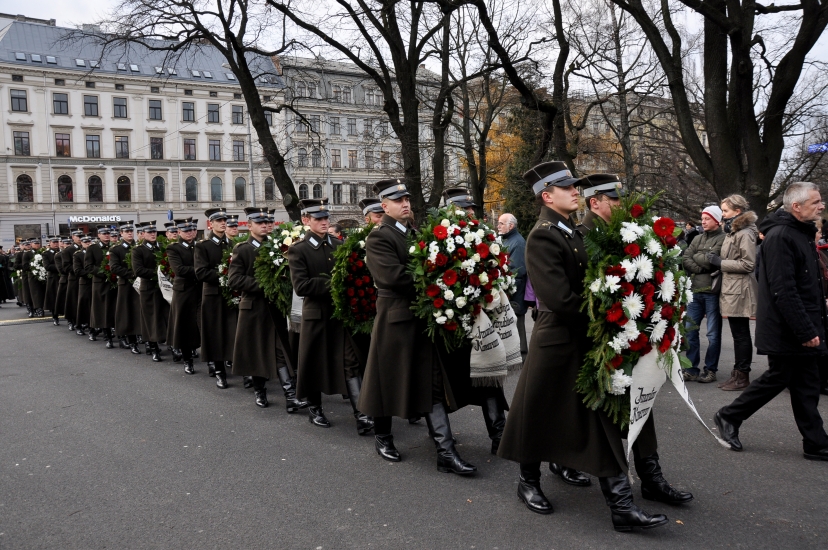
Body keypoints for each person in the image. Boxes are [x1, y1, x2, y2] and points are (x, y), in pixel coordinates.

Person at [497, 161, 667, 531]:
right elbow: (558, 298)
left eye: (575, 187)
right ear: (547, 195)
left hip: (581, 338)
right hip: (556, 340)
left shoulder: (569, 230)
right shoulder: (544, 235)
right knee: (536, 414)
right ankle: (528, 482)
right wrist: (612, 317)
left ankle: (621, 506)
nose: (576, 191)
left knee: (594, 417)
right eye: (567, 188)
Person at [575, 173, 692, 503]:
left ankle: (651, 476)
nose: (619, 204)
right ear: (594, 202)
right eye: (612, 199)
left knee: (641, 403)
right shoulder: (580, 236)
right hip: (598, 339)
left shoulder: (636, 235)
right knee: (597, 411)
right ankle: (576, 467)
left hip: (635, 334)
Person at [358, 179, 476, 474]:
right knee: (388, 382)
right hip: (395, 320)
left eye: (407, 199)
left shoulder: (412, 233)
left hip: (422, 318)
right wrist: (436, 277)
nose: (405, 203)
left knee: (431, 382)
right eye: (398, 200)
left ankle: (445, 452)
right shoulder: (379, 237)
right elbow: (392, 277)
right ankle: (383, 436)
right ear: (384, 206)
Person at [716, 182, 828, 462]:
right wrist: (805, 329)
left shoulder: (799, 233)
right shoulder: (781, 237)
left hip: (801, 324)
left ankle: (815, 442)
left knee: (806, 383)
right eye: (816, 202)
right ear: (796, 207)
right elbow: (783, 289)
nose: (821, 205)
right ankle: (728, 415)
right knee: (780, 377)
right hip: (788, 327)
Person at [290, 198, 373, 433]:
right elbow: (302, 286)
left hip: (340, 316)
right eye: (318, 218)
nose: (324, 222)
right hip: (316, 315)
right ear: (306, 221)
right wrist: (336, 284)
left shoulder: (339, 245)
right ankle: (315, 409)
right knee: (313, 363)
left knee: (350, 363)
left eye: (326, 218)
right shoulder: (299, 249)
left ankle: (362, 415)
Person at [442, 188, 509, 455]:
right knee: (449, 380)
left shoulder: (485, 237)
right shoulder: (442, 237)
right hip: (454, 323)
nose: (470, 213)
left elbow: (499, 270)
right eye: (463, 209)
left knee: (489, 376)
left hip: (482, 320)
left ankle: (499, 433)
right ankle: (440, 437)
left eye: (471, 208)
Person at [230, 207, 305, 410]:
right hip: (254, 309)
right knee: (257, 352)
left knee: (280, 350)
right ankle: (260, 391)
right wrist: (265, 284)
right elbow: (234, 279)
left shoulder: (277, 246)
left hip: (274, 308)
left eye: (268, 222)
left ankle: (291, 396)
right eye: (260, 223)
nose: (265, 226)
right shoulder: (243, 248)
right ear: (250, 225)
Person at [706, 195, 758, 391]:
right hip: (732, 287)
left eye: (725, 211)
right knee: (738, 334)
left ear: (738, 212)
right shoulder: (733, 231)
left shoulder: (744, 233)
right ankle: (737, 373)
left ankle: (742, 376)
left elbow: (748, 263)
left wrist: (721, 263)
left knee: (741, 334)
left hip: (740, 289)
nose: (722, 214)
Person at [682, 205, 726, 382]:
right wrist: (702, 263)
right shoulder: (698, 238)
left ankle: (710, 369)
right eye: (702, 218)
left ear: (716, 220)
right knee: (690, 331)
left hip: (712, 291)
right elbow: (685, 258)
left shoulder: (723, 238)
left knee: (713, 334)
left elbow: (712, 260)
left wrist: (699, 259)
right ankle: (691, 368)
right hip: (695, 291)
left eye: (707, 218)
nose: (703, 221)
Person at [194, 208, 237, 388]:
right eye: (219, 220)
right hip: (213, 296)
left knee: (233, 332)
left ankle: (239, 367)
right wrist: (224, 276)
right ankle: (219, 371)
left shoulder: (233, 244)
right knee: (215, 334)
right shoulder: (202, 246)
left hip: (231, 295)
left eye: (224, 220)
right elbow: (201, 272)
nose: (223, 222)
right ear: (210, 224)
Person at [166, 218, 203, 374]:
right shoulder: (174, 248)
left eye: (193, 230)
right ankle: (187, 360)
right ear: (179, 232)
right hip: (184, 291)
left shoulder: (199, 246)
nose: (190, 233)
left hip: (200, 289)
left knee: (202, 324)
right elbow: (179, 270)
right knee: (184, 326)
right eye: (186, 231)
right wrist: (201, 270)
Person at [132, 222, 169, 362]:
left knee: (166, 316)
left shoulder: (162, 247)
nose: (153, 234)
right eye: (149, 232)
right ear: (143, 234)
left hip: (163, 288)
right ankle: (153, 347)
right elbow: (138, 270)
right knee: (151, 319)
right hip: (149, 288)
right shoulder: (138, 250)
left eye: (154, 232)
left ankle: (171, 344)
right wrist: (157, 274)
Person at [497, 213, 528, 362]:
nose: (498, 226)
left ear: (511, 226)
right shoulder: (508, 240)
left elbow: (519, 269)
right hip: (509, 289)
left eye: (501, 223)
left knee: (517, 322)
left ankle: (521, 354)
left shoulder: (518, 242)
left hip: (515, 290)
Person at [109, 221, 142, 354]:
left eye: (130, 231)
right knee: (128, 313)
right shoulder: (116, 249)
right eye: (126, 231)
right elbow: (114, 267)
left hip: (139, 284)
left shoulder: (138, 246)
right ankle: (131, 340)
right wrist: (132, 274)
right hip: (126, 285)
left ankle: (142, 336)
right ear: (121, 233)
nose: (129, 233)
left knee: (140, 311)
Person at [86, 226, 113, 343]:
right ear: (99, 235)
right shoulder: (93, 248)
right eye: (104, 233)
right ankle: (98, 331)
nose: (106, 235)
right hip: (100, 282)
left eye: (108, 233)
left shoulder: (113, 247)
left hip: (113, 282)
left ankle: (113, 333)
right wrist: (104, 272)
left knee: (111, 308)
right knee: (100, 309)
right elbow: (88, 266)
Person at [60, 231, 83, 330]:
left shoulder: (87, 248)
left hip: (85, 279)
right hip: (74, 278)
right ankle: (72, 320)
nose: (79, 238)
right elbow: (66, 267)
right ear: (73, 237)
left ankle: (83, 321)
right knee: (73, 301)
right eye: (78, 236)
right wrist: (79, 270)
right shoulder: (68, 250)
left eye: (81, 236)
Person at [74, 235, 93, 334]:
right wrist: (91, 274)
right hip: (85, 283)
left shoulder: (94, 253)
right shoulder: (78, 255)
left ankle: (92, 326)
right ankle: (79, 325)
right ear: (81, 243)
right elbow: (77, 271)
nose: (88, 243)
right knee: (83, 306)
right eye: (85, 242)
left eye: (89, 241)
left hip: (94, 282)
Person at [42, 236, 61, 323]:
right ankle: (55, 316)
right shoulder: (46, 253)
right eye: (54, 242)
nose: (56, 244)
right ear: (50, 243)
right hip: (53, 278)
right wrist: (60, 267)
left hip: (63, 276)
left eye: (57, 242)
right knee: (54, 297)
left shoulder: (62, 252)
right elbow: (47, 266)